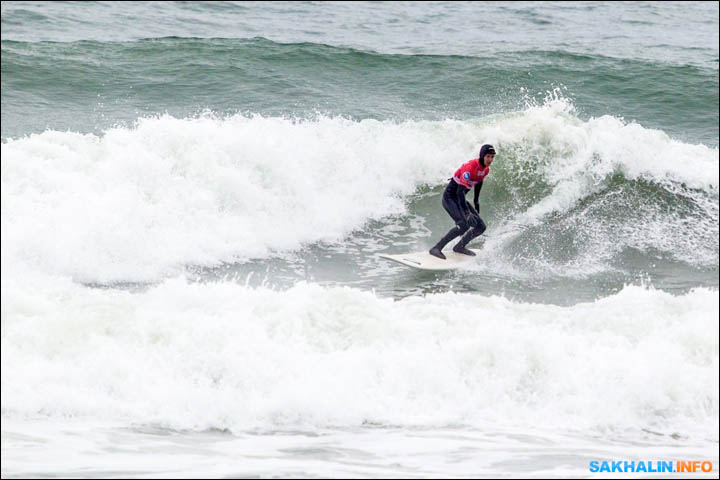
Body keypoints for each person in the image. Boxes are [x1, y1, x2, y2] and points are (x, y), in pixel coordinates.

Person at [429, 144, 496, 259]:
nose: (490, 160)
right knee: (463, 225)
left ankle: (460, 246)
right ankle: (436, 248)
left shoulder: (485, 169)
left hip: (461, 199)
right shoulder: (470, 167)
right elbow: (460, 192)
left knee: (481, 227)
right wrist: (466, 212)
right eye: (488, 156)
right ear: (482, 156)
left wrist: (476, 200)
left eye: (492, 157)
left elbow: (479, 181)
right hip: (450, 198)